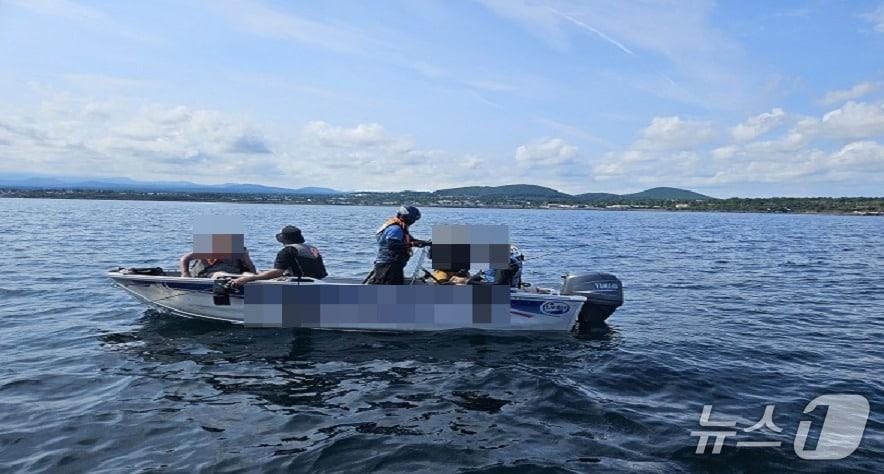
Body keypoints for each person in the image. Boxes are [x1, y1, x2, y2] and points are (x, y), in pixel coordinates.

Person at [230, 225, 327, 287]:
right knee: (260, 273)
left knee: (247, 275)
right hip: (317, 282)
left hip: (299, 284)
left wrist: (247, 279)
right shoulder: (311, 248)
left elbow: (277, 272)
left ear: (284, 239)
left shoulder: (287, 250)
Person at [370, 205, 429, 285]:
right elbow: (393, 245)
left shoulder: (401, 227)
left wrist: (426, 243)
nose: (413, 222)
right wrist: (412, 244)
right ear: (404, 216)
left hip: (393, 265)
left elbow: (410, 240)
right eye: (412, 219)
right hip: (389, 265)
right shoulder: (396, 229)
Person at [180, 247, 257, 278]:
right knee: (220, 274)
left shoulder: (241, 250)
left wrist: (255, 277)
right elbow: (185, 258)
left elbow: (250, 265)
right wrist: (185, 273)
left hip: (236, 276)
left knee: (250, 274)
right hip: (207, 274)